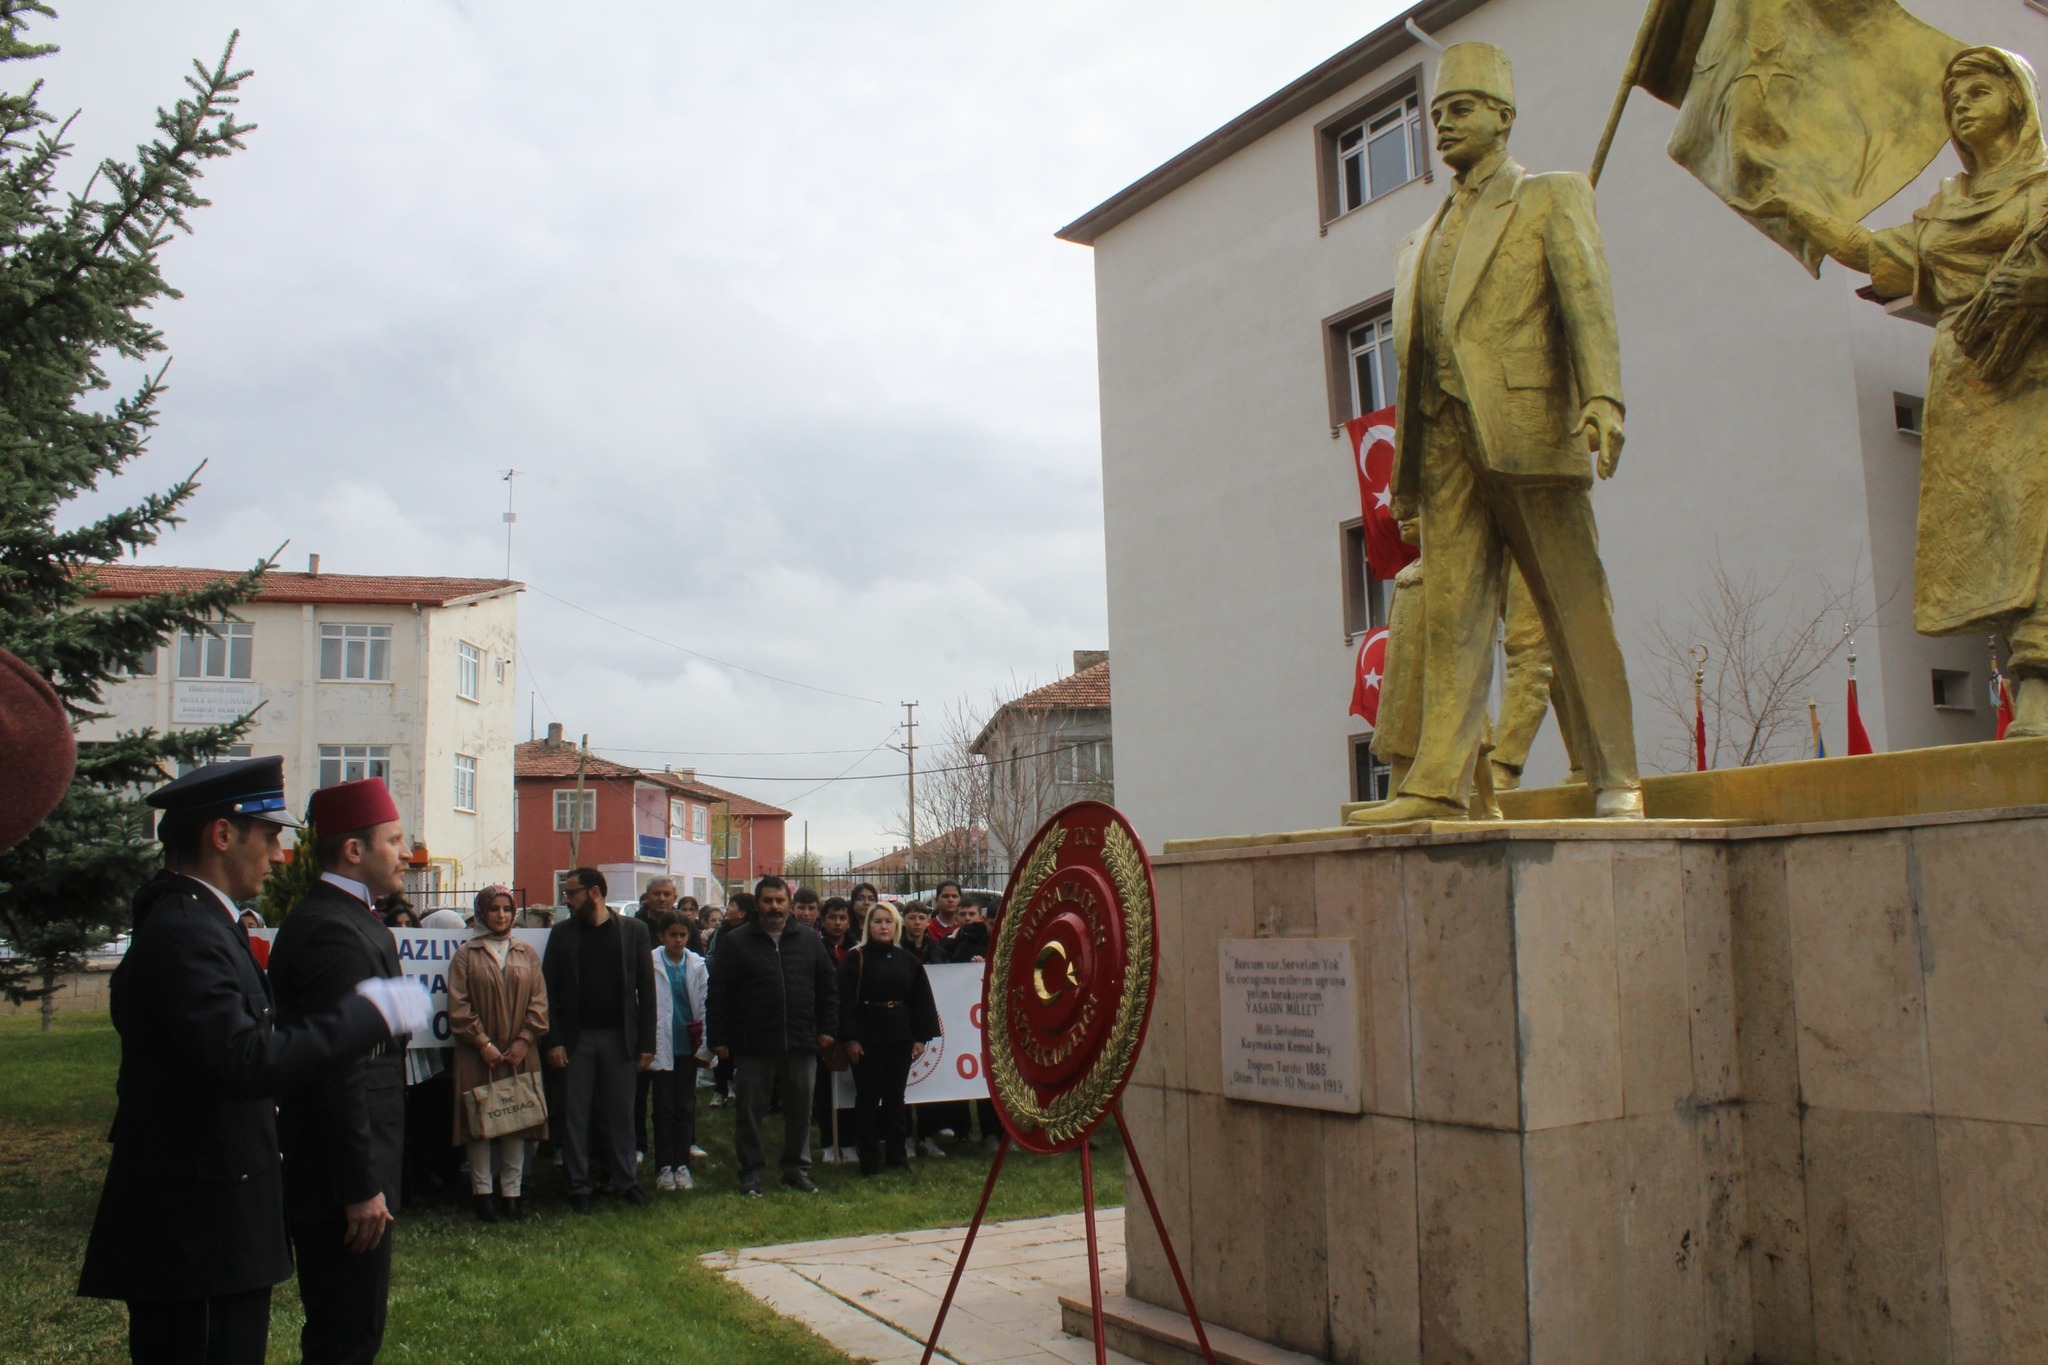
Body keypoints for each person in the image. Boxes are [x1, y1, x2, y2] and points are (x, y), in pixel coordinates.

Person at [1353, 42, 1642, 825]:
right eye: (1438, 113)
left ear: (1504, 117)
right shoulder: (1418, 240)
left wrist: (1603, 397)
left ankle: (1615, 772)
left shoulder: (1551, 197)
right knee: (1453, 615)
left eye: (1462, 110)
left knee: (1571, 603)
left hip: (1527, 425)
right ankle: (1439, 782)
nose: (1444, 125)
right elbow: (1411, 364)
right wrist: (1406, 477)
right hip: (1443, 442)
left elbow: (1587, 302)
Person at [77, 757, 427, 1365]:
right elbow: (245, 1058)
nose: (278, 855)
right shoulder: (186, 929)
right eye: (268, 837)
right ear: (221, 835)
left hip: (215, 1216)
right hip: (199, 1227)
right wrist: (367, 1015)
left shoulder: (203, 923)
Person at [1760, 48, 2048, 734]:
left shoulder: (2044, 189)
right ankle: (2032, 674)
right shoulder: (1947, 207)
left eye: (1979, 91)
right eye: (1954, 99)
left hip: (2037, 377)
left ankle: (2040, 688)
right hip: (1971, 391)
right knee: (2007, 542)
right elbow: (1877, 254)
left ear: (2017, 99)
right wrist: (1797, 208)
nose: (1963, 106)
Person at [268, 777, 418, 1365]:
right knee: (345, 1337)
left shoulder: (352, 918)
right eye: (395, 840)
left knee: (354, 1329)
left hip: (352, 1165)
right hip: (340, 1176)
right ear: (354, 851)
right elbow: (337, 1067)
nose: (407, 853)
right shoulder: (333, 929)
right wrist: (359, 1184)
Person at [705, 875, 838, 1196]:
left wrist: (827, 1029)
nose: (774, 907)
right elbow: (719, 993)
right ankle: (751, 1173)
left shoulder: (809, 941)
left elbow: (828, 988)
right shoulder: (736, 942)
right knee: (750, 1112)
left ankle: (796, 1169)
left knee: (800, 1110)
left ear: (789, 906)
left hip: (801, 1040)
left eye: (780, 901)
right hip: (753, 1043)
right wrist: (718, 1037)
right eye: (768, 901)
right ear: (757, 904)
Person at [540, 868, 658, 1212]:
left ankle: (626, 1181)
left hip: (620, 1039)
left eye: (572, 892)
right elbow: (549, 990)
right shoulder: (562, 934)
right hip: (576, 1041)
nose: (567, 898)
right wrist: (554, 1041)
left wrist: (647, 1041)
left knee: (622, 1114)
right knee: (575, 1115)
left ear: (594, 893)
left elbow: (646, 991)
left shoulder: (634, 932)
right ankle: (579, 1186)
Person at [446, 886, 549, 1224]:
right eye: (494, 909)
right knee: (480, 1120)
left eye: (507, 908)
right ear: (481, 913)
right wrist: (482, 1044)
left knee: (515, 1120)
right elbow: (458, 1006)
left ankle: (512, 1193)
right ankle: (482, 1193)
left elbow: (539, 1001)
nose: (501, 915)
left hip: (519, 1051)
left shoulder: (526, 953)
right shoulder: (466, 954)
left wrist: (524, 1040)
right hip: (479, 1052)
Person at [837, 903, 941, 1176]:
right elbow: (844, 1002)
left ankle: (898, 1157)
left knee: (896, 1099)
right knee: (868, 1099)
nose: (883, 926)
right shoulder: (854, 958)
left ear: (897, 927)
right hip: (866, 1037)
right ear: (868, 926)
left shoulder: (908, 960)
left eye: (889, 922)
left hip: (900, 1037)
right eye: (878, 921)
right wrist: (849, 1038)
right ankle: (869, 1162)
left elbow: (921, 1001)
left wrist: (920, 1038)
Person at [648, 912, 709, 1192]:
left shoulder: (697, 964)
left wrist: (705, 1042)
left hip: (688, 1046)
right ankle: (663, 1166)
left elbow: (705, 1003)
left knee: (685, 1107)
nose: (678, 940)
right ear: (662, 936)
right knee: (663, 1108)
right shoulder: (650, 962)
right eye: (672, 935)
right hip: (663, 1044)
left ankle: (682, 1164)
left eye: (683, 935)